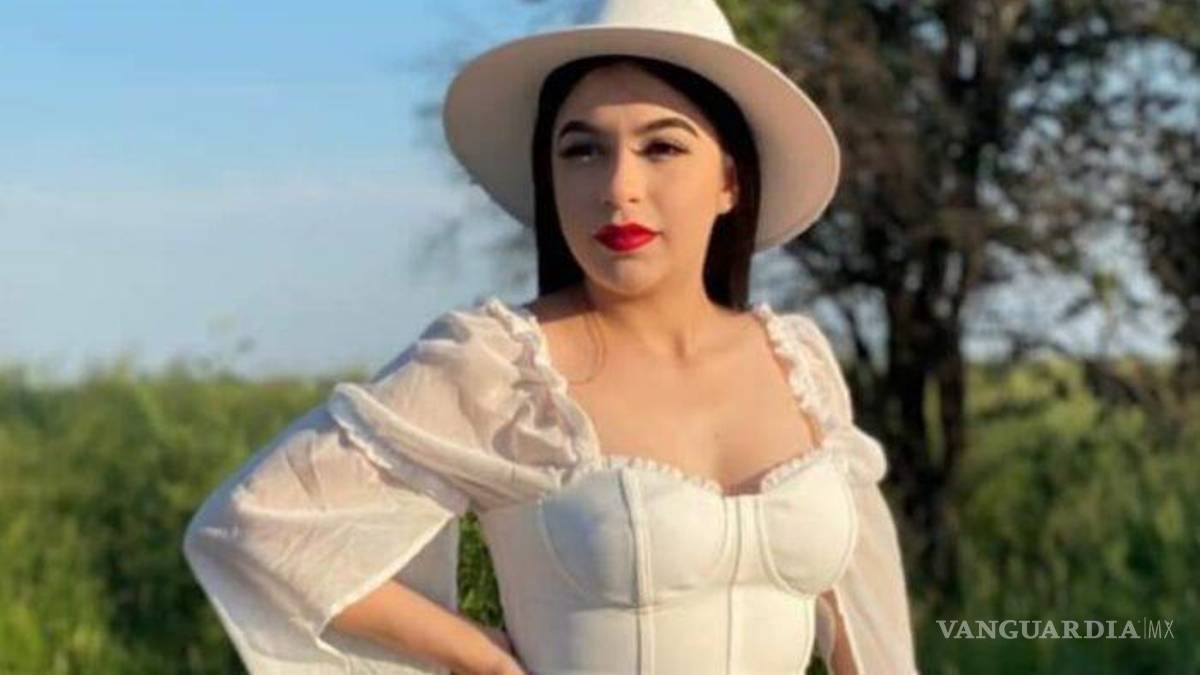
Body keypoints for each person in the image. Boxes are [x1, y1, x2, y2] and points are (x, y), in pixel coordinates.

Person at [182, 1, 920, 673]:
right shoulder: (505, 366)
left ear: (730, 180)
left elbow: (862, 622)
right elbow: (257, 525)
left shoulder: (796, 361)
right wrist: (481, 658)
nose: (618, 187)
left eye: (662, 148)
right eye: (582, 151)